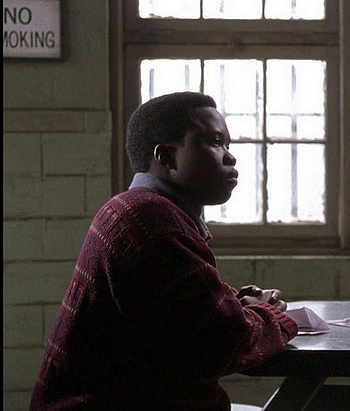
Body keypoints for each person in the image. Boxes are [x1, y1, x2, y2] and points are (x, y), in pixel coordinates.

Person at [30, 92, 299, 411]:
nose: (230, 157)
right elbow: (221, 343)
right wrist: (272, 316)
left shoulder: (140, 209)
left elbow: (181, 321)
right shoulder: (152, 220)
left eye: (227, 144)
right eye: (215, 142)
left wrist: (237, 307)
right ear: (167, 157)